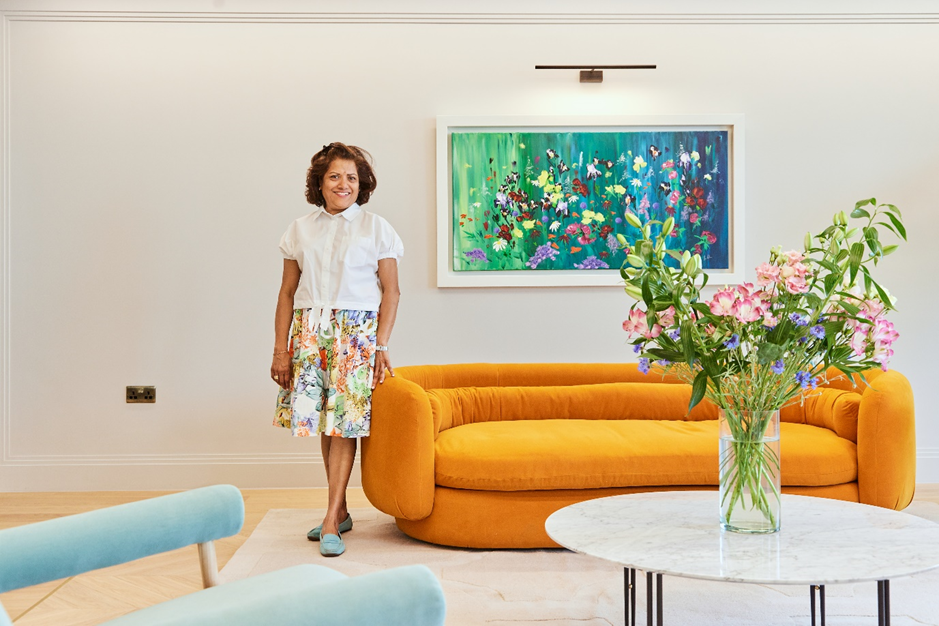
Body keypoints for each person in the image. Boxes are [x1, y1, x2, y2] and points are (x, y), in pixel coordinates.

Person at [271, 142, 402, 557]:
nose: (343, 184)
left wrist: (381, 344)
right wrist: (281, 350)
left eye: (351, 177)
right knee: (323, 423)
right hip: (310, 330)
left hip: (357, 334)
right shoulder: (299, 229)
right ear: (320, 183)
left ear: (360, 183)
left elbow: (392, 292)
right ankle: (340, 509)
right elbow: (287, 293)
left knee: (343, 424)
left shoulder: (377, 228)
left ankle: (331, 519)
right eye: (334, 176)